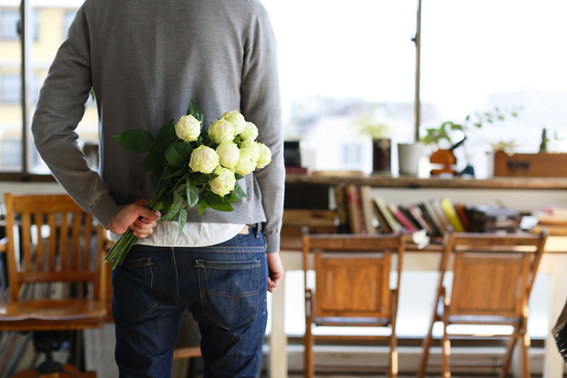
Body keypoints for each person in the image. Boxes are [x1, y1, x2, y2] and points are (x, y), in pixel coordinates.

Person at [31, 0, 285, 377]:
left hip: (140, 243)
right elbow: (269, 140)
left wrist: (106, 207)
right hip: (229, 240)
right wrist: (273, 240)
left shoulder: (99, 10)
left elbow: (48, 127)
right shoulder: (245, 10)